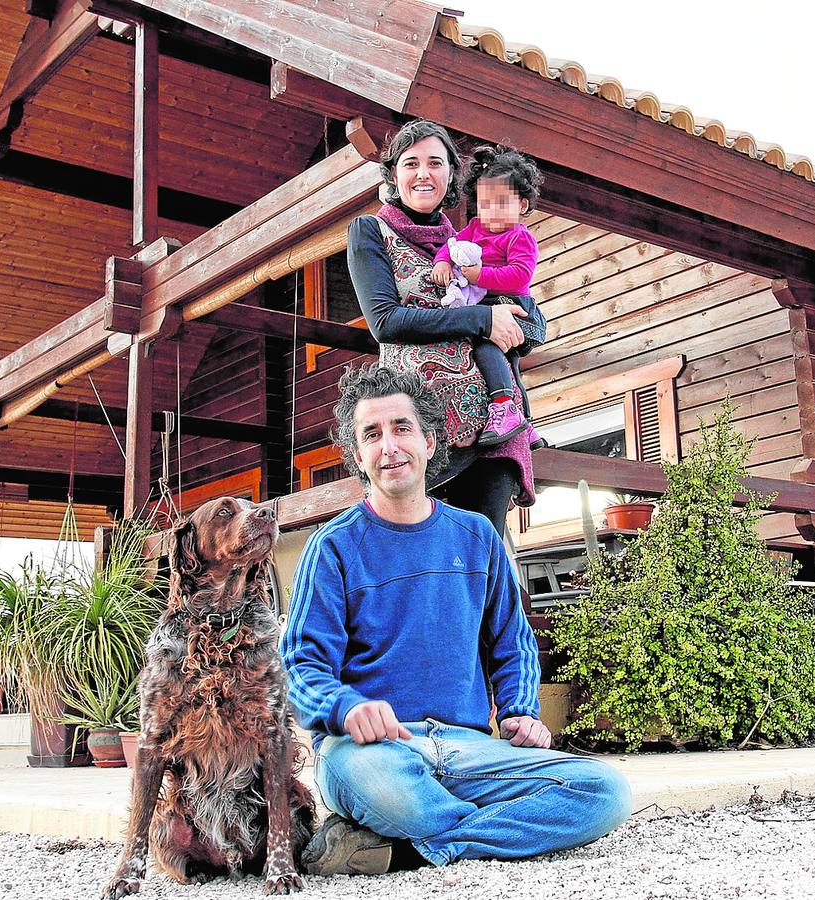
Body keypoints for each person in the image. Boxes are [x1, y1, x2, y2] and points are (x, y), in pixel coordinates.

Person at [281, 365, 633, 877]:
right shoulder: (332, 548)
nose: (389, 447)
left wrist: (519, 710)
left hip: (469, 750)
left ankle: (409, 849)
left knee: (604, 791)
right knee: (384, 785)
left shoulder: (476, 537)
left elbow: (511, 640)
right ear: (358, 456)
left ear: (429, 440)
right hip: (375, 752)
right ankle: (489, 828)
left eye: (402, 429)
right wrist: (345, 707)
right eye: (372, 435)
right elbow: (300, 667)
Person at [346, 120, 538, 538]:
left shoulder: (468, 242)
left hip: (491, 429)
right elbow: (385, 322)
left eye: (436, 162)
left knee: (480, 553)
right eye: (411, 163)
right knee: (418, 551)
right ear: (394, 174)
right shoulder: (370, 232)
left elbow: (526, 313)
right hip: (417, 429)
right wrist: (484, 319)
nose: (423, 173)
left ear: (452, 174)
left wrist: (518, 321)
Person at [430, 145, 547, 448]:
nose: (491, 212)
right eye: (485, 204)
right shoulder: (475, 228)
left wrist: (478, 276)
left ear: (521, 205)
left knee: (485, 344)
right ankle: (525, 424)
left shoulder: (520, 236)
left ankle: (503, 405)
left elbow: (520, 276)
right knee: (509, 366)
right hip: (490, 308)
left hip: (516, 309)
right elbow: (451, 245)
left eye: (501, 203)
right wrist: (443, 261)